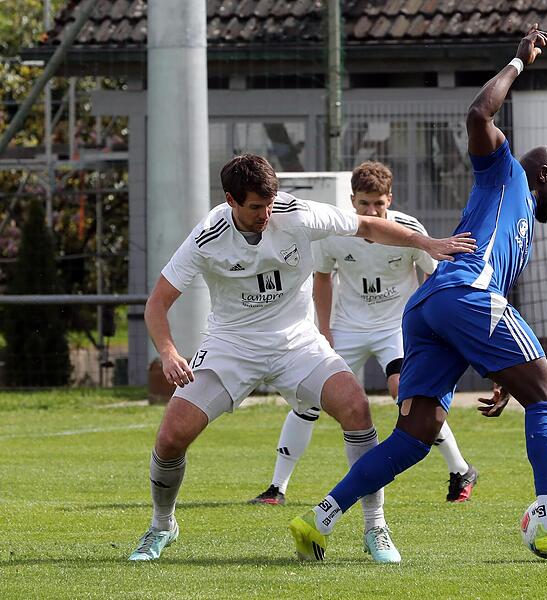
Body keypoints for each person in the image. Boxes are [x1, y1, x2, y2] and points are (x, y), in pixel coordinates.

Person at [288, 26, 547, 562]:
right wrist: (517, 61)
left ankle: (318, 519)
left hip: (436, 307)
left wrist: (506, 374)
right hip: (461, 295)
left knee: (418, 434)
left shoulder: (521, 227)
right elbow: (477, 117)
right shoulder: (504, 173)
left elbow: (494, 299)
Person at [127, 154, 476, 563]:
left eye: (269, 204)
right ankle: (161, 526)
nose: (265, 214)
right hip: (231, 347)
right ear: (230, 201)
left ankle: (375, 527)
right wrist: (168, 353)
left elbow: (365, 225)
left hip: (297, 343)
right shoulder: (207, 235)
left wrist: (427, 243)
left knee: (357, 409)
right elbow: (157, 303)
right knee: (170, 437)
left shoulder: (298, 214)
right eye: (255, 207)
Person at [249, 161, 478, 508]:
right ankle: (277, 487)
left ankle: (460, 470)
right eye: (364, 204)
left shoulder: (410, 230)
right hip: (347, 328)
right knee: (309, 399)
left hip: (396, 328)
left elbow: (434, 276)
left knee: (408, 394)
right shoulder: (336, 234)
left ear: (390, 199)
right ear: (352, 200)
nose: (372, 211)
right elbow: (322, 278)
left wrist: (429, 323)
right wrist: (323, 330)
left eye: (379, 204)